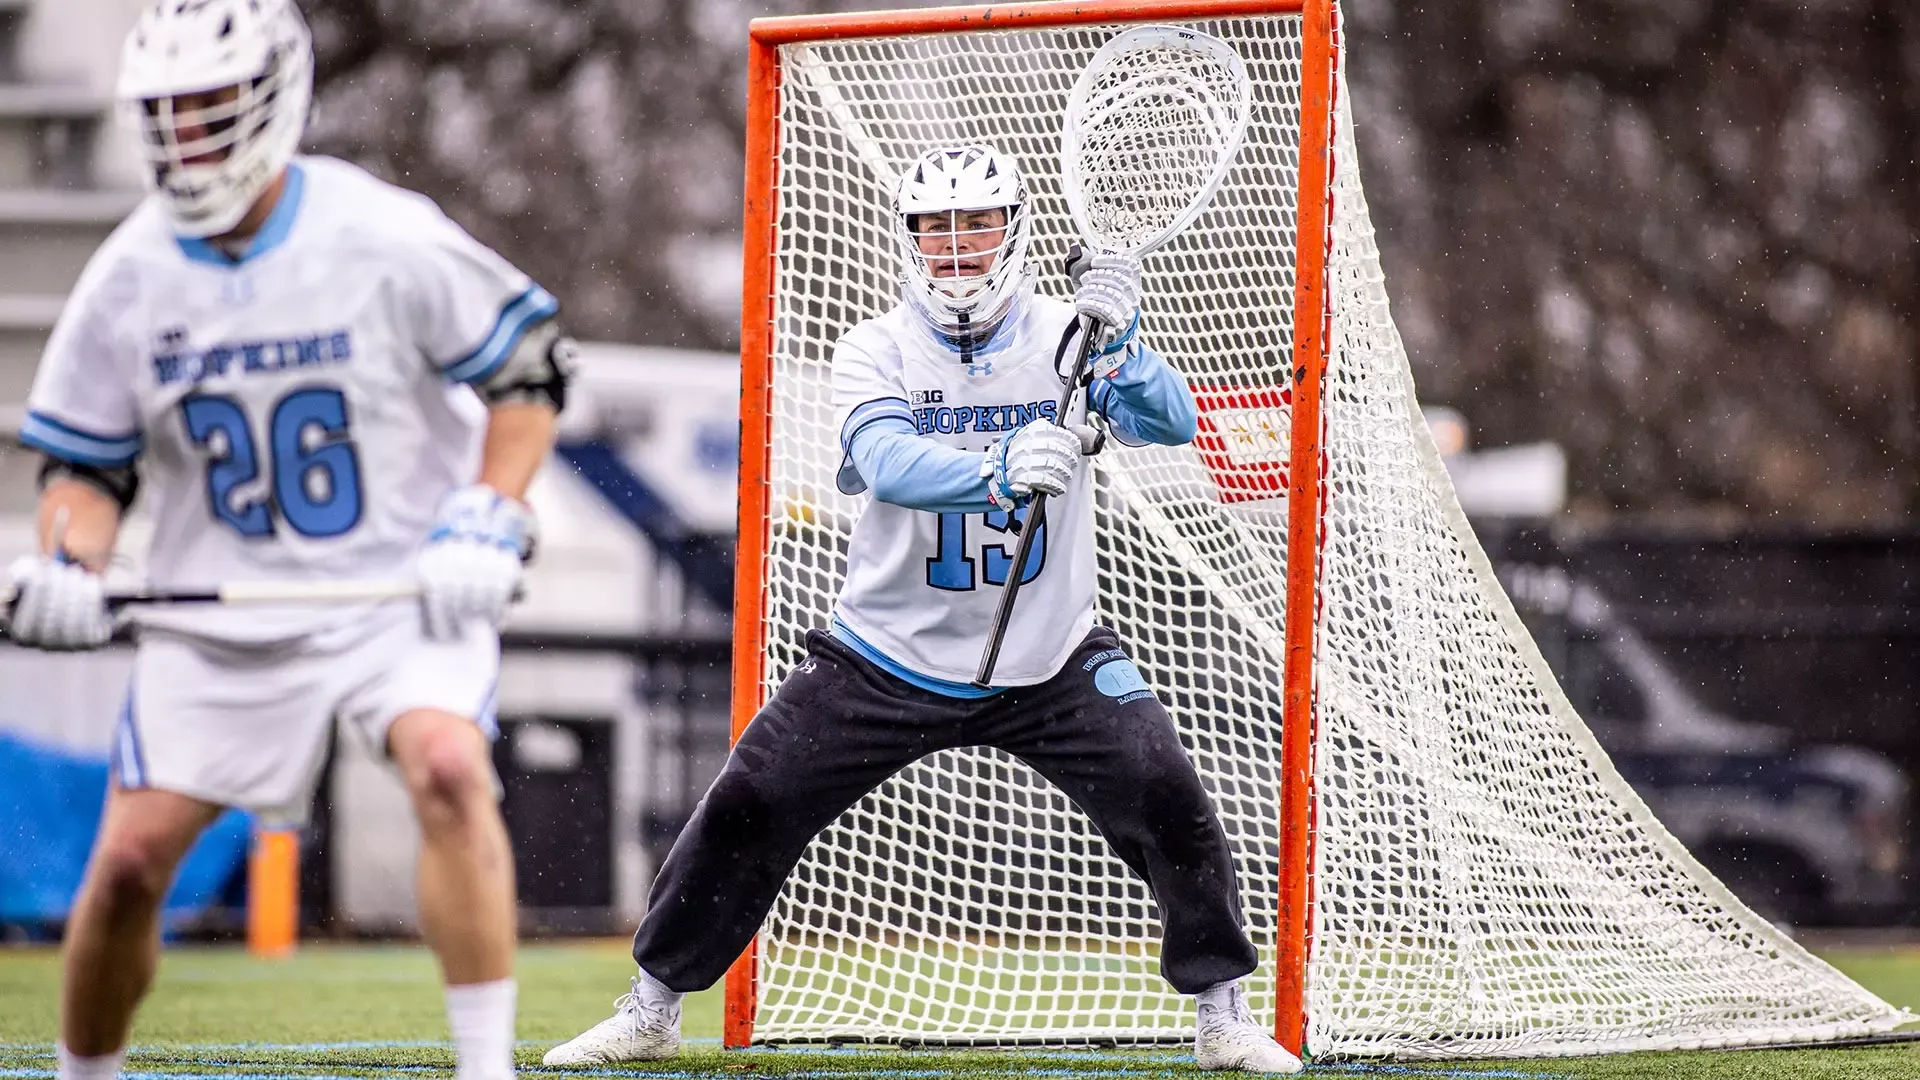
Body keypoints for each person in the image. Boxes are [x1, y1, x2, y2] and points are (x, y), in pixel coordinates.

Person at [543, 144, 1301, 1074]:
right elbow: (891, 464)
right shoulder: (875, 347)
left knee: (1166, 793)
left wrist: (1128, 345)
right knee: (750, 800)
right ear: (909, 239)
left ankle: (1221, 1014)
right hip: (885, 652)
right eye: (935, 226)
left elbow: (1171, 421)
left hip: (1050, 654)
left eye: (976, 222)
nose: (956, 245)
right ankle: (654, 1005)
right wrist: (997, 465)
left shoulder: (1071, 335)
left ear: (1013, 230)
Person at [2, 2, 573, 1078]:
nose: (187, 139)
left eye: (210, 109)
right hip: (217, 610)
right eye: (167, 115)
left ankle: (486, 1068)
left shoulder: (381, 233)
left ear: (274, 98)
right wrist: (71, 561)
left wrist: (493, 508)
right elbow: (86, 464)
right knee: (127, 862)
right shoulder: (129, 274)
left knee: (449, 766)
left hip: (400, 589)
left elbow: (529, 365)